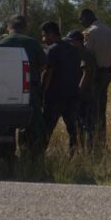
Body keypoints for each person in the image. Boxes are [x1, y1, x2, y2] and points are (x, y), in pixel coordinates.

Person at [0, 15, 47, 158]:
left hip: (5, 90)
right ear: (25, 27)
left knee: (6, 124)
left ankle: (7, 155)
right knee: (32, 124)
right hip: (30, 89)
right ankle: (30, 156)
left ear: (8, 27)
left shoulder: (0, 43)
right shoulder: (33, 43)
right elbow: (43, 65)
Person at [40, 21, 82, 155]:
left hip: (54, 97)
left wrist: (42, 92)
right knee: (72, 130)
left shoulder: (52, 50)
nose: (43, 39)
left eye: (45, 36)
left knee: (46, 129)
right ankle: (73, 156)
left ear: (51, 34)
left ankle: (39, 156)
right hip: (72, 96)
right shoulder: (74, 49)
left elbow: (48, 73)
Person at [78, 9, 111, 146]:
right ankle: (102, 140)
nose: (81, 24)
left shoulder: (90, 32)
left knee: (91, 109)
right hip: (107, 71)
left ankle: (92, 143)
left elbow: (86, 54)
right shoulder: (108, 30)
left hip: (95, 74)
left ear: (87, 18)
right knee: (101, 108)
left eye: (81, 20)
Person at [63, 29, 97, 149]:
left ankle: (88, 151)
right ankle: (82, 150)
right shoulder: (78, 53)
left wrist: (78, 92)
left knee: (86, 126)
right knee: (79, 125)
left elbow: (86, 74)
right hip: (81, 96)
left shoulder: (84, 54)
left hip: (84, 96)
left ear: (78, 42)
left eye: (71, 41)